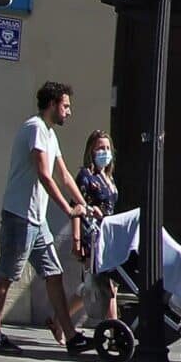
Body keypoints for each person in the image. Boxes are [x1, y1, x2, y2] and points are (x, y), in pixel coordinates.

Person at [0, 81, 96, 354]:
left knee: (54, 273)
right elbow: (44, 174)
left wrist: (85, 205)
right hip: (20, 217)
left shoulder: (49, 134)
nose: (69, 112)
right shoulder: (35, 128)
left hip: (37, 221)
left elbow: (64, 175)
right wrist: (68, 210)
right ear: (52, 104)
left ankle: (70, 336)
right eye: (66, 106)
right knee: (8, 274)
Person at [73, 130, 121, 323]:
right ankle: (113, 329)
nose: (105, 152)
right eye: (101, 148)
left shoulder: (108, 178)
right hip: (91, 235)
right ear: (91, 151)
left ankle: (59, 322)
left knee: (95, 284)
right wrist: (76, 240)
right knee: (107, 284)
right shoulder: (86, 176)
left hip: (107, 236)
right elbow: (75, 207)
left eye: (108, 148)